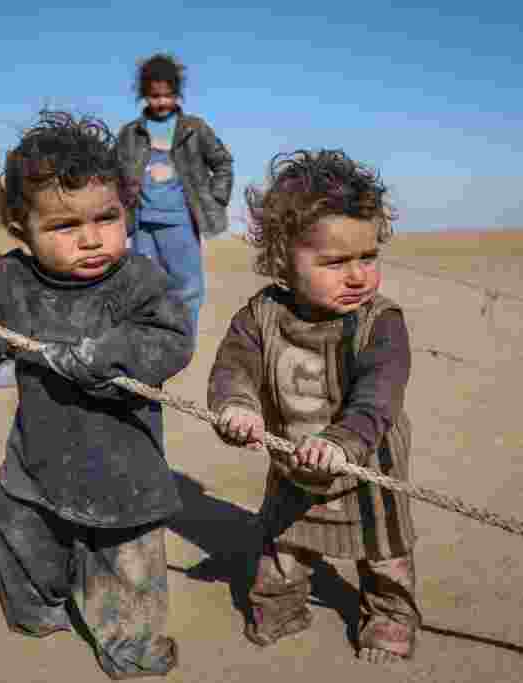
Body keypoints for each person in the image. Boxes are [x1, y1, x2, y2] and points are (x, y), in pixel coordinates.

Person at [0, 111, 192, 680]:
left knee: (128, 566)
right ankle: (40, 606)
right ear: (22, 229)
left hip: (124, 467)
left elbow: (171, 340)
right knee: (21, 535)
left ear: (128, 211)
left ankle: (130, 643)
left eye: (107, 218)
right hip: (38, 458)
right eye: (65, 226)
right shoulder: (11, 280)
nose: (92, 237)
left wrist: (107, 353)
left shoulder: (139, 280)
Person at [207, 150, 420, 666]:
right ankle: (280, 604)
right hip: (291, 466)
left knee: (384, 553)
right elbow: (232, 370)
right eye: (334, 262)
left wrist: (342, 441)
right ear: (282, 260)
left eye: (367, 258)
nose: (357, 276)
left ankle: (389, 615)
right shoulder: (260, 316)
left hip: (368, 465)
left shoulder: (381, 323)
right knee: (283, 544)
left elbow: (378, 392)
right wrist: (236, 408)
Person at [117, 52, 234, 341]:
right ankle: (152, 340)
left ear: (177, 94)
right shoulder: (130, 134)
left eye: (167, 96)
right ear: (145, 95)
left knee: (187, 287)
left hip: (181, 221)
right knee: (145, 285)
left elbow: (222, 163)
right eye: (155, 96)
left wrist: (215, 199)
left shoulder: (194, 129)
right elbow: (114, 174)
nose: (161, 103)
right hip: (142, 224)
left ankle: (183, 341)